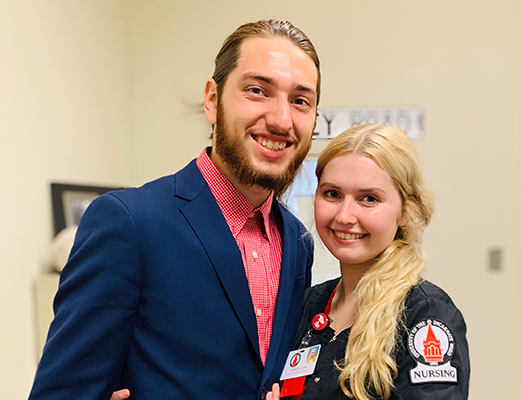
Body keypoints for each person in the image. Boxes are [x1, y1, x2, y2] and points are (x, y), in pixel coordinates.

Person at [29, 20, 320, 400]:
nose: (282, 119)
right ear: (212, 100)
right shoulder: (129, 224)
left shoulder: (298, 243)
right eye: (257, 90)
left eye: (301, 100)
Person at [267, 123, 470, 399]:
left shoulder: (425, 315)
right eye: (332, 194)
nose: (344, 216)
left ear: (405, 211)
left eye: (369, 199)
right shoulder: (307, 305)